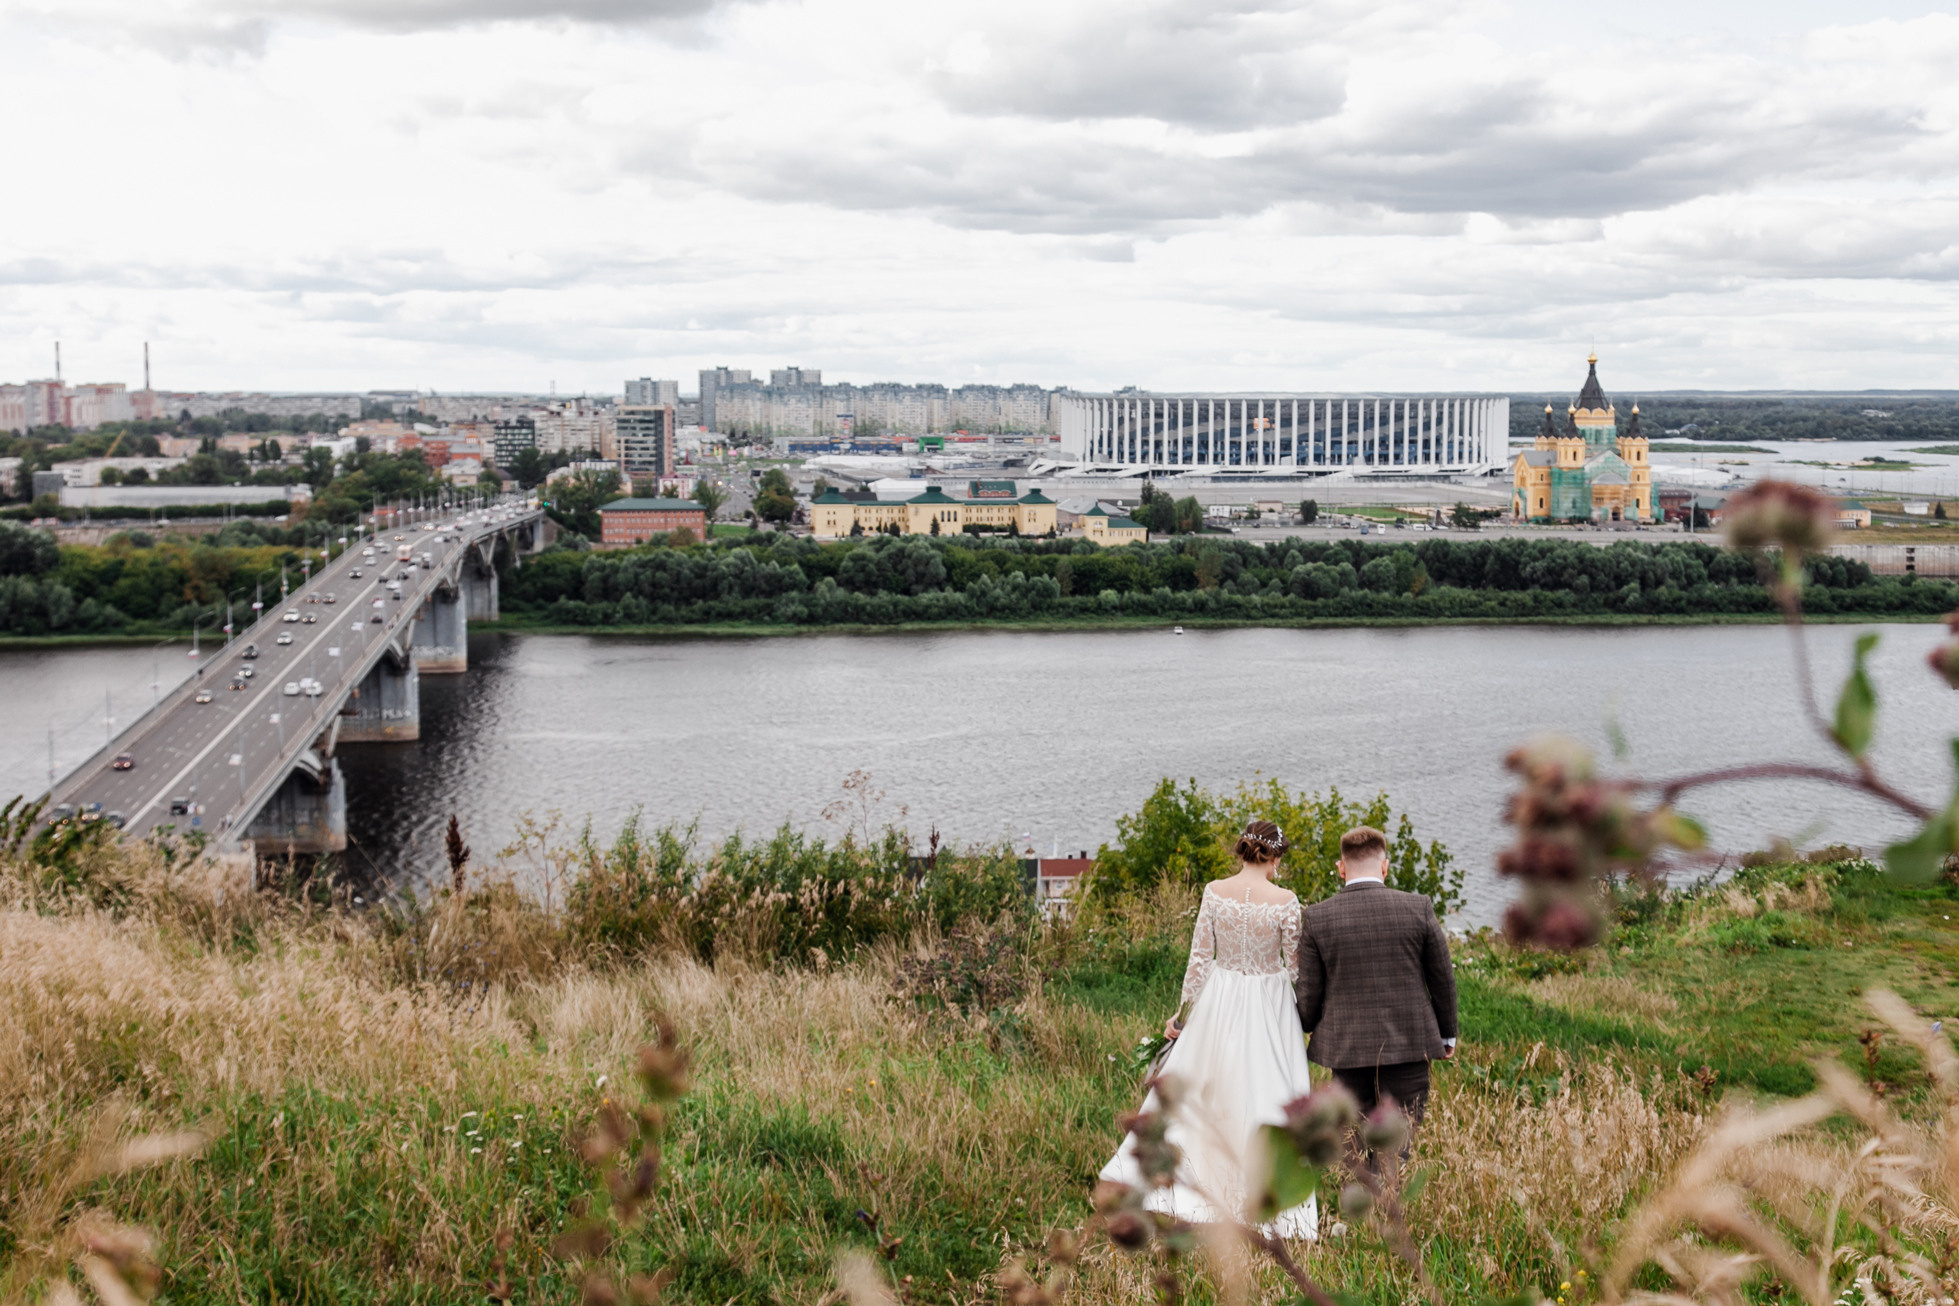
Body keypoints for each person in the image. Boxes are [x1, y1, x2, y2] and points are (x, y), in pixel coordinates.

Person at [1099, 819, 1318, 1237]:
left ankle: (1190, 1176)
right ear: (1274, 856)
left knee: (1206, 1084)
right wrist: (1307, 1012)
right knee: (1268, 1084)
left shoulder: (1214, 891)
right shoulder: (1286, 900)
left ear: (1244, 851)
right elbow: (1295, 968)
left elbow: (1199, 960)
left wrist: (1181, 1016)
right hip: (1269, 1002)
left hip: (1220, 996)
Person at [1294, 826, 1458, 1145]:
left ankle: (1362, 1179)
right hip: (1408, 1046)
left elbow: (1309, 993)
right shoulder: (1418, 907)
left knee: (1354, 1144)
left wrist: (1306, 1023)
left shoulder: (1317, 917)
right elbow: (1442, 978)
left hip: (1347, 1051)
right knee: (1398, 1143)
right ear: (1385, 867)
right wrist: (1447, 1034)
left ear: (1341, 868)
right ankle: (1390, 1178)